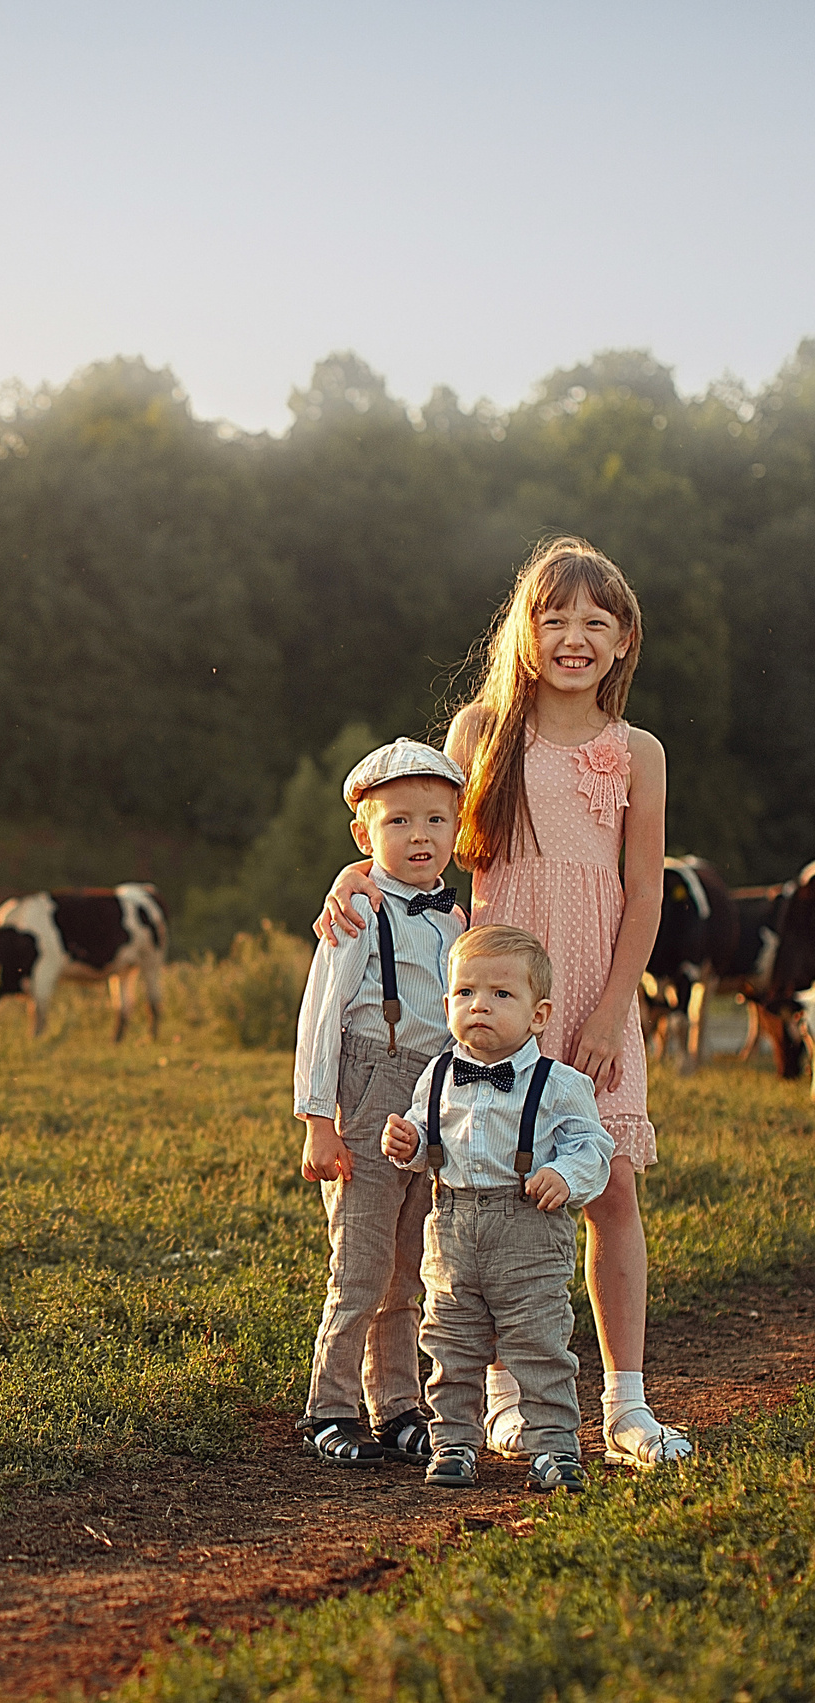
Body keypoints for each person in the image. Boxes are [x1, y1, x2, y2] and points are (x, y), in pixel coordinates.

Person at [319, 536, 692, 1468]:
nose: (573, 635)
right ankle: (502, 1399)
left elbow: (642, 893)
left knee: (608, 1189)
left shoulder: (636, 751)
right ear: (524, 632)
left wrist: (611, 1010)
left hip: (592, 992)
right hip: (493, 991)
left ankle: (625, 1405)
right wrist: (351, 873)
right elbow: (422, 843)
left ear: (623, 640)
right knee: (479, 1182)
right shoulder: (480, 732)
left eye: (595, 622)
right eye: (554, 617)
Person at [382, 925, 615, 1492]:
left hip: (527, 1227)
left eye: (500, 995)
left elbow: (594, 1147)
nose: (479, 1005)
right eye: (465, 993)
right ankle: (454, 1441)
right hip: (453, 1224)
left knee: (537, 1341)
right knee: (450, 1341)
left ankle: (555, 1447)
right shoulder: (438, 1074)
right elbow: (429, 1130)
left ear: (539, 1016)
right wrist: (410, 1143)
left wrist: (564, 1174)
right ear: (446, 1005)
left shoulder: (560, 1084)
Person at [292, 738, 468, 1468]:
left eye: (434, 819)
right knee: (360, 1265)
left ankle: (397, 1405)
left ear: (457, 828)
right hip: (371, 1087)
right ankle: (329, 1408)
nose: (420, 836)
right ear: (365, 837)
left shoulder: (458, 921)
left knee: (410, 1264)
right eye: (399, 822)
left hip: (436, 1097)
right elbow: (320, 1016)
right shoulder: (358, 910)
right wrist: (318, 1122)